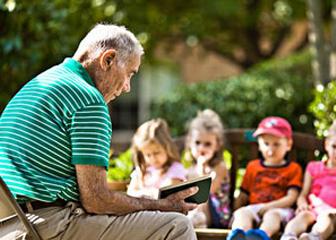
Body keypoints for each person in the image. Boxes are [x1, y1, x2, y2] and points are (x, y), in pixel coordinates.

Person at [0, 24, 198, 239]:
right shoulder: (88, 100)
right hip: (47, 224)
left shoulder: (38, 85)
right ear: (108, 59)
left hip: (10, 224)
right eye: (130, 74)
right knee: (176, 225)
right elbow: (96, 200)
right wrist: (160, 205)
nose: (127, 87)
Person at [227, 116, 303, 240]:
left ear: (288, 144)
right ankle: (239, 235)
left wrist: (268, 207)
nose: (270, 150)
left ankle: (260, 236)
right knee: (242, 213)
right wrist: (235, 211)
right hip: (255, 208)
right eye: (266, 144)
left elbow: (291, 198)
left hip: (280, 210)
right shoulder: (253, 167)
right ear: (259, 145)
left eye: (276, 144)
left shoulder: (293, 168)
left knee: (271, 216)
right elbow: (243, 195)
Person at [184, 109, 231, 228]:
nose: (202, 148)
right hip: (195, 210)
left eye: (208, 144)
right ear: (190, 142)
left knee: (202, 195)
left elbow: (209, 190)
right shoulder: (190, 168)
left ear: (217, 145)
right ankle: (191, 220)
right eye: (197, 143)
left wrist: (201, 169)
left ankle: (194, 221)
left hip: (218, 214)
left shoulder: (220, 167)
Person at [127, 118, 187, 199]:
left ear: (167, 148)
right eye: (148, 155)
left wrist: (142, 194)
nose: (153, 158)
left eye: (156, 153)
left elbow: (166, 195)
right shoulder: (142, 171)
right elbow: (131, 193)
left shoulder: (175, 169)